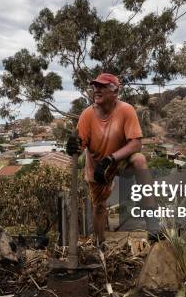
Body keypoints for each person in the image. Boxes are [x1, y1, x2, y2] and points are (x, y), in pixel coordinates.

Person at [66, 73, 154, 244]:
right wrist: (72, 147)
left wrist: (110, 159)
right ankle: (100, 245)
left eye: (102, 86)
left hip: (119, 161)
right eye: (95, 86)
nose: (96, 90)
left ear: (115, 92)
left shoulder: (126, 110)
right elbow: (79, 146)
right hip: (97, 169)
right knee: (99, 207)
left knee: (140, 160)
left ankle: (153, 224)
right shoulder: (87, 115)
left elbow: (136, 144)